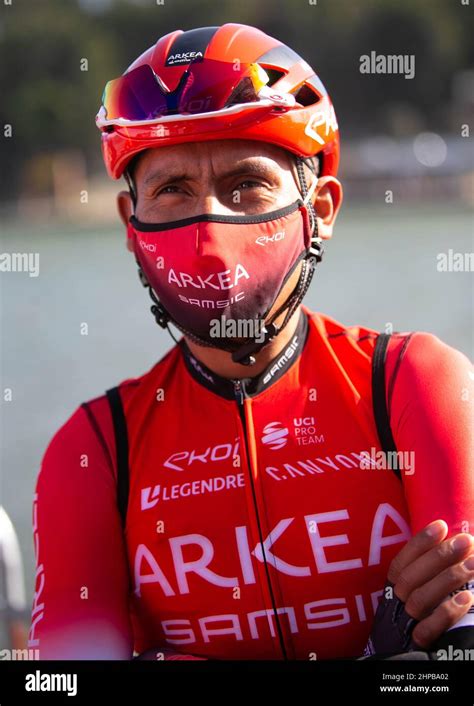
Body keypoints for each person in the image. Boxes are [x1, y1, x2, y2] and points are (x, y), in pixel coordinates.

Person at [28, 23, 473, 661]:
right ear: (133, 226)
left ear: (319, 209)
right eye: (173, 189)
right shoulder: (94, 452)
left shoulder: (414, 383)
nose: (211, 227)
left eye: (246, 184)